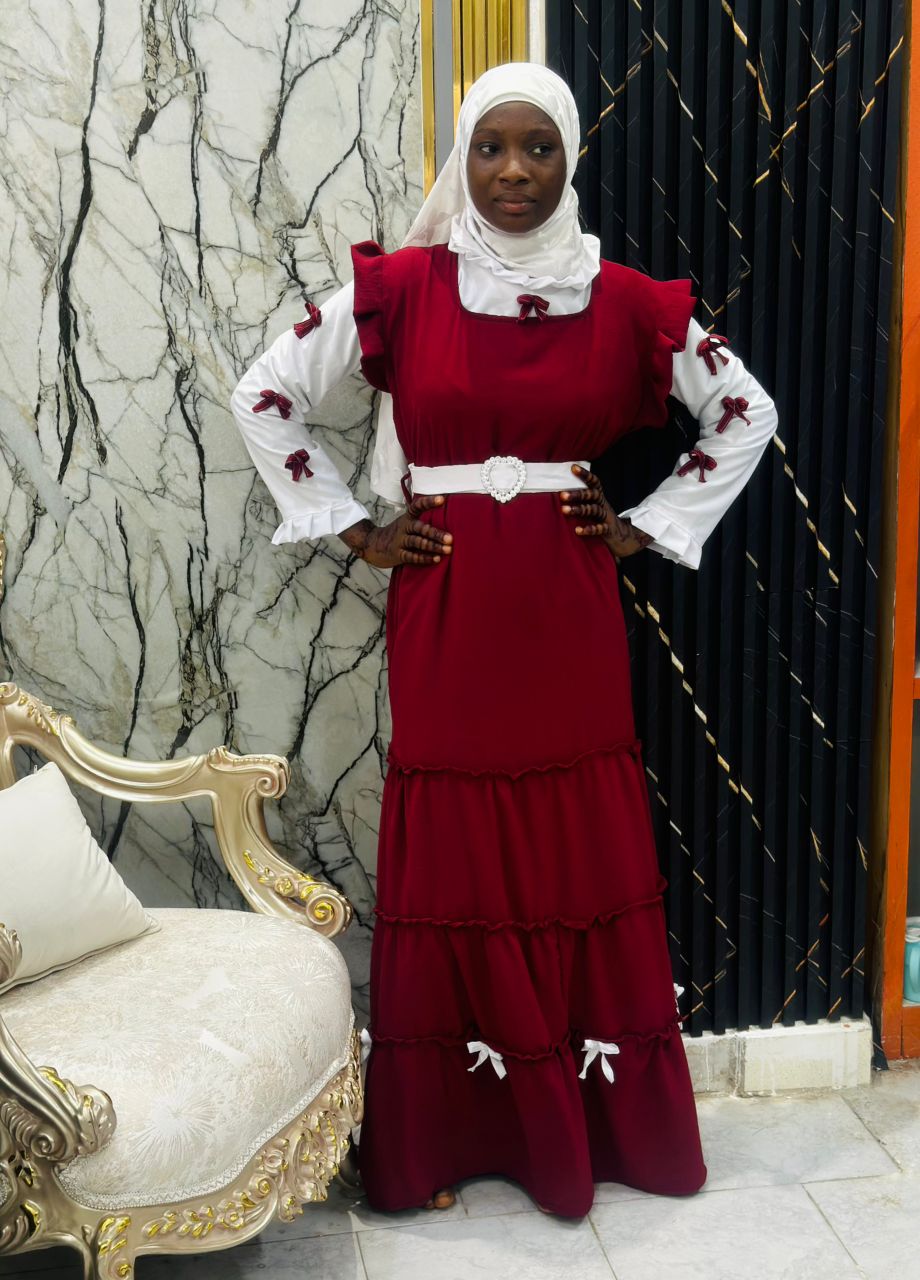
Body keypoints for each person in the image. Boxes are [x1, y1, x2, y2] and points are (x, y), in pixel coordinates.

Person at [231, 62, 777, 1218]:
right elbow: (263, 395)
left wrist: (646, 525)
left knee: (575, 840)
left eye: (538, 148)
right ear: (463, 160)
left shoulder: (622, 299)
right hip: (446, 603)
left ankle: (590, 1129)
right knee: (458, 842)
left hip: (565, 603)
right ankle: (457, 1127)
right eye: (491, 147)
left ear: (569, 158)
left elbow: (745, 411)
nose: (514, 172)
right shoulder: (402, 289)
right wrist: (352, 528)